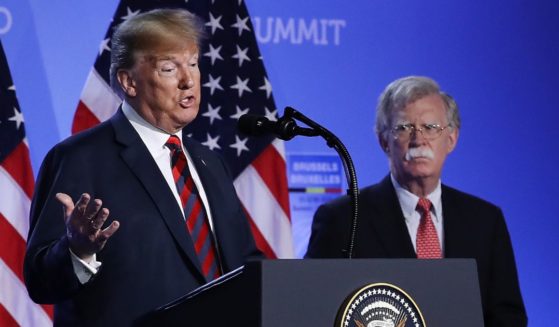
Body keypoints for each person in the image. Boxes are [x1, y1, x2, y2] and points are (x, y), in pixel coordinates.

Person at [24, 9, 260, 326]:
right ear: (128, 81)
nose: (188, 80)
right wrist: (77, 251)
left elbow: (244, 264)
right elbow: (40, 281)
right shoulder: (79, 158)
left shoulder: (209, 163)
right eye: (168, 68)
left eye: (193, 64)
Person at [306, 76, 527, 326]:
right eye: (403, 128)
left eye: (431, 127)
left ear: (452, 139)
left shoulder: (486, 221)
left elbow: (509, 318)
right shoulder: (343, 219)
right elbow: (316, 309)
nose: (418, 139)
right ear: (383, 141)